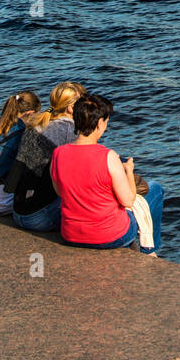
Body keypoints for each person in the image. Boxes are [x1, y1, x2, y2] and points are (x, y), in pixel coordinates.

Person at [50, 93, 163, 254]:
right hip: (111, 236)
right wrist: (128, 171)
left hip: (71, 235)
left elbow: (60, 192)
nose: (105, 127)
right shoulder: (108, 157)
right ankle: (150, 250)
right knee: (155, 189)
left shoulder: (58, 154)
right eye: (106, 122)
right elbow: (128, 201)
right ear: (99, 124)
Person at [5, 82, 86, 232]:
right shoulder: (69, 130)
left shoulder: (37, 122)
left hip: (18, 212)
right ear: (70, 107)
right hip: (39, 217)